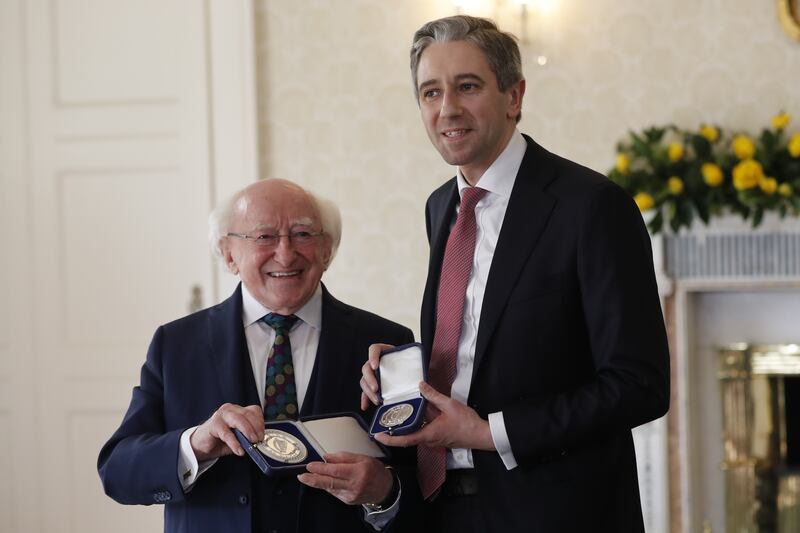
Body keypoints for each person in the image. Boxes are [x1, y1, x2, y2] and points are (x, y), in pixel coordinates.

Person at [360, 15, 670, 532]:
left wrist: (489, 433)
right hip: (445, 509)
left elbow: (640, 384)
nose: (447, 109)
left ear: (514, 95)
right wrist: (397, 374)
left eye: (467, 87)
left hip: (556, 512)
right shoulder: (441, 207)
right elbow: (477, 350)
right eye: (430, 93)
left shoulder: (592, 206)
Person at [99, 179, 418, 533]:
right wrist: (196, 444)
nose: (285, 253)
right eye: (264, 237)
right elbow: (118, 471)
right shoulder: (176, 344)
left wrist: (385, 491)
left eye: (303, 234)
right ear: (229, 254)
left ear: (327, 250)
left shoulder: (386, 342)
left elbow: (425, 480)